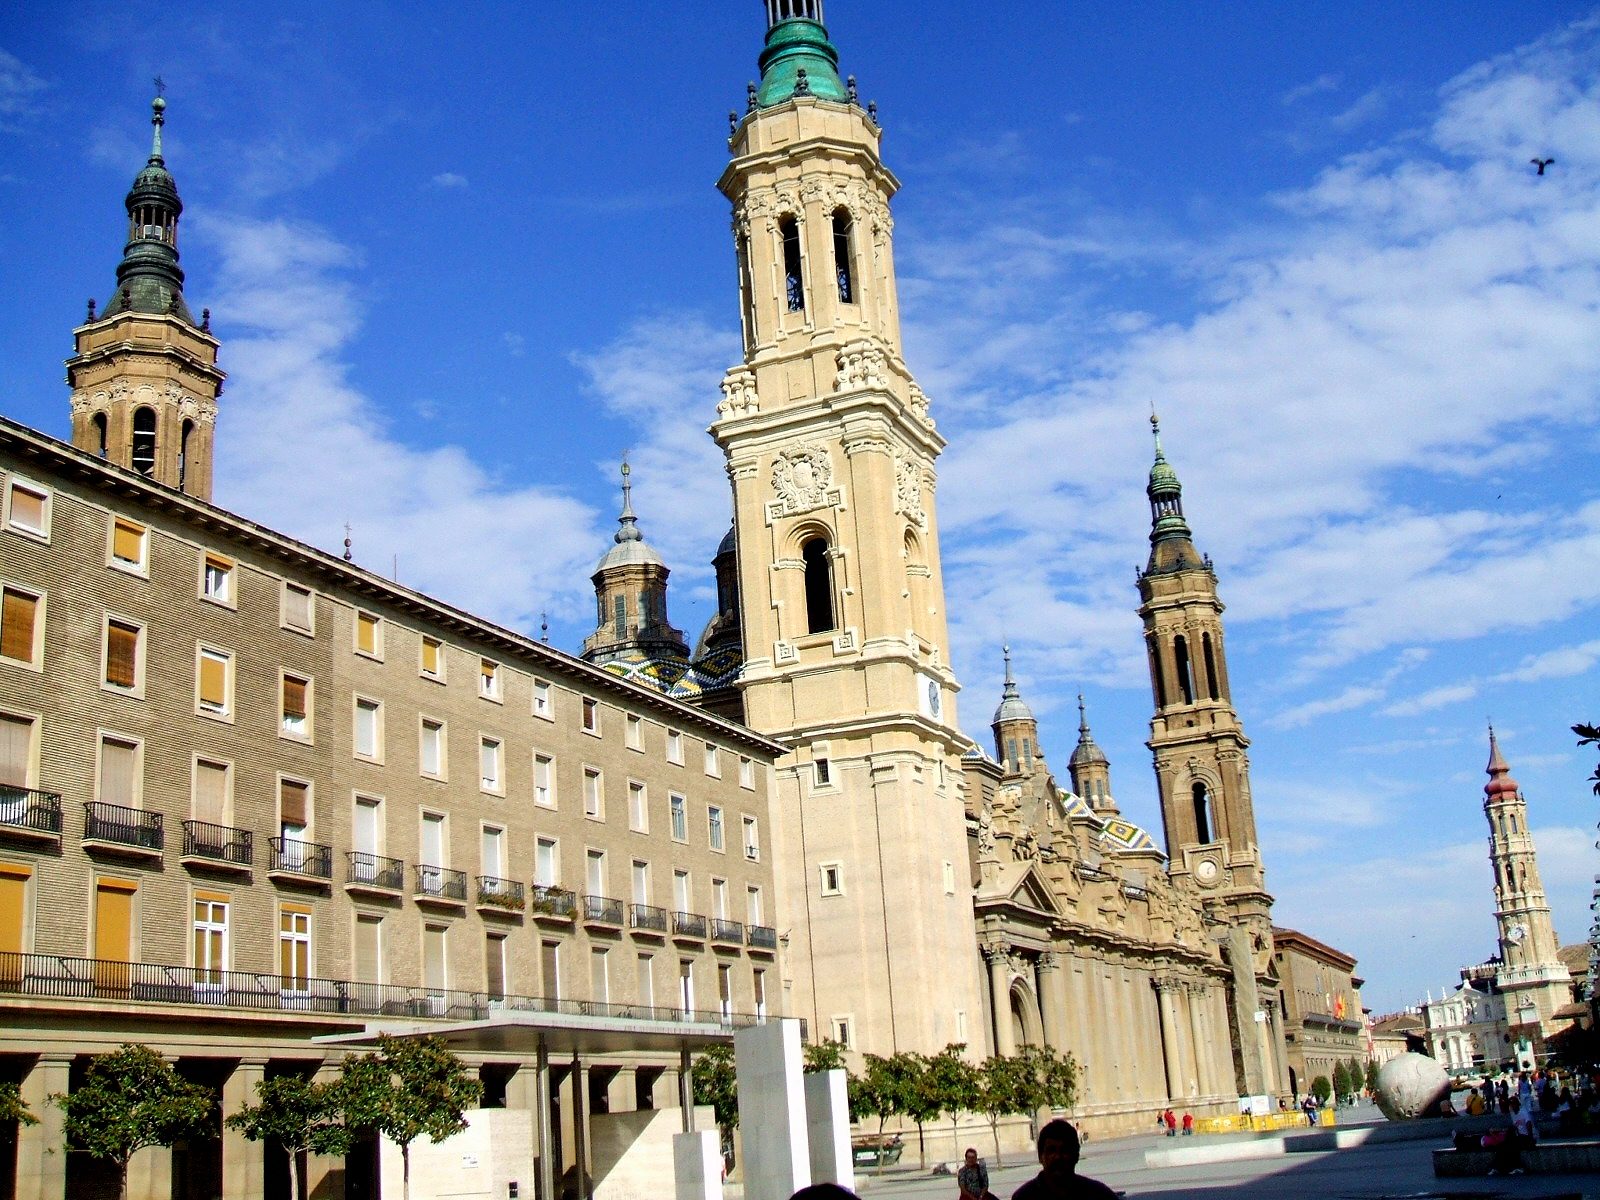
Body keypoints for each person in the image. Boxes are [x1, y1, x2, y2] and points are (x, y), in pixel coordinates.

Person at [1012, 1118, 1117, 1200]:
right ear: (1040, 1156)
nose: (1058, 1157)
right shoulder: (1024, 1197)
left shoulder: (1099, 1195)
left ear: (1076, 1155)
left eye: (1065, 1150)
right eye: (1051, 1150)